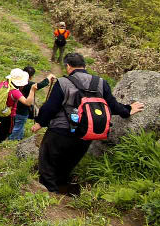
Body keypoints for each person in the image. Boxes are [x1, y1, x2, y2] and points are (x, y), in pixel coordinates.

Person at [33, 53, 144, 195]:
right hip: (86, 134)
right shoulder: (101, 83)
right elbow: (112, 106)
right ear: (85, 66)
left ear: (68, 66)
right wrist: (128, 110)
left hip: (60, 132)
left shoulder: (63, 83)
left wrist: (40, 123)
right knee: (68, 164)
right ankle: (60, 189)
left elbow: (51, 107)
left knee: (47, 162)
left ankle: (49, 194)